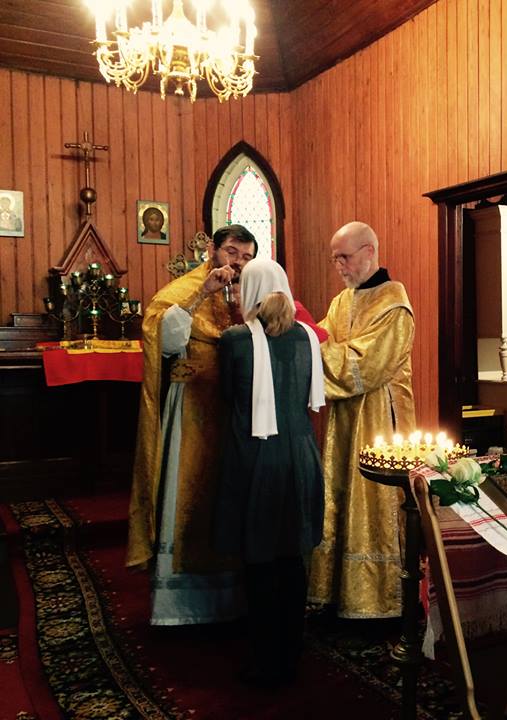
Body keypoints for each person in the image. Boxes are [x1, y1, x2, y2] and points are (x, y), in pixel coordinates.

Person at [128, 224, 324, 625]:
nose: (238, 263)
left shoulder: (252, 298)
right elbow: (164, 342)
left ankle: (245, 604)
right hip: (198, 413)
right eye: (232, 253)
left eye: (247, 257)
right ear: (212, 251)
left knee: (252, 513)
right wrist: (202, 294)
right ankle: (190, 608)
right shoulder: (184, 290)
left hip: (247, 419)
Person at [214, 256, 325, 687]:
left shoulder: (235, 340)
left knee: (259, 562)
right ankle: (291, 652)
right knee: (291, 557)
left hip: (255, 456)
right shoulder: (307, 338)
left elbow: (226, 396)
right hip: (300, 455)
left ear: (251, 291)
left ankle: (263, 662)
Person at [307, 221, 416, 618]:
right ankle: (337, 590)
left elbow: (365, 364)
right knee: (339, 495)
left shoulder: (394, 304)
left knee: (373, 502)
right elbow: (323, 338)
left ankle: (378, 600)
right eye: (335, 258)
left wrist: (309, 348)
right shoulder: (342, 301)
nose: (339, 265)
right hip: (345, 416)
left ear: (370, 252)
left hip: (378, 418)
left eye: (345, 257)